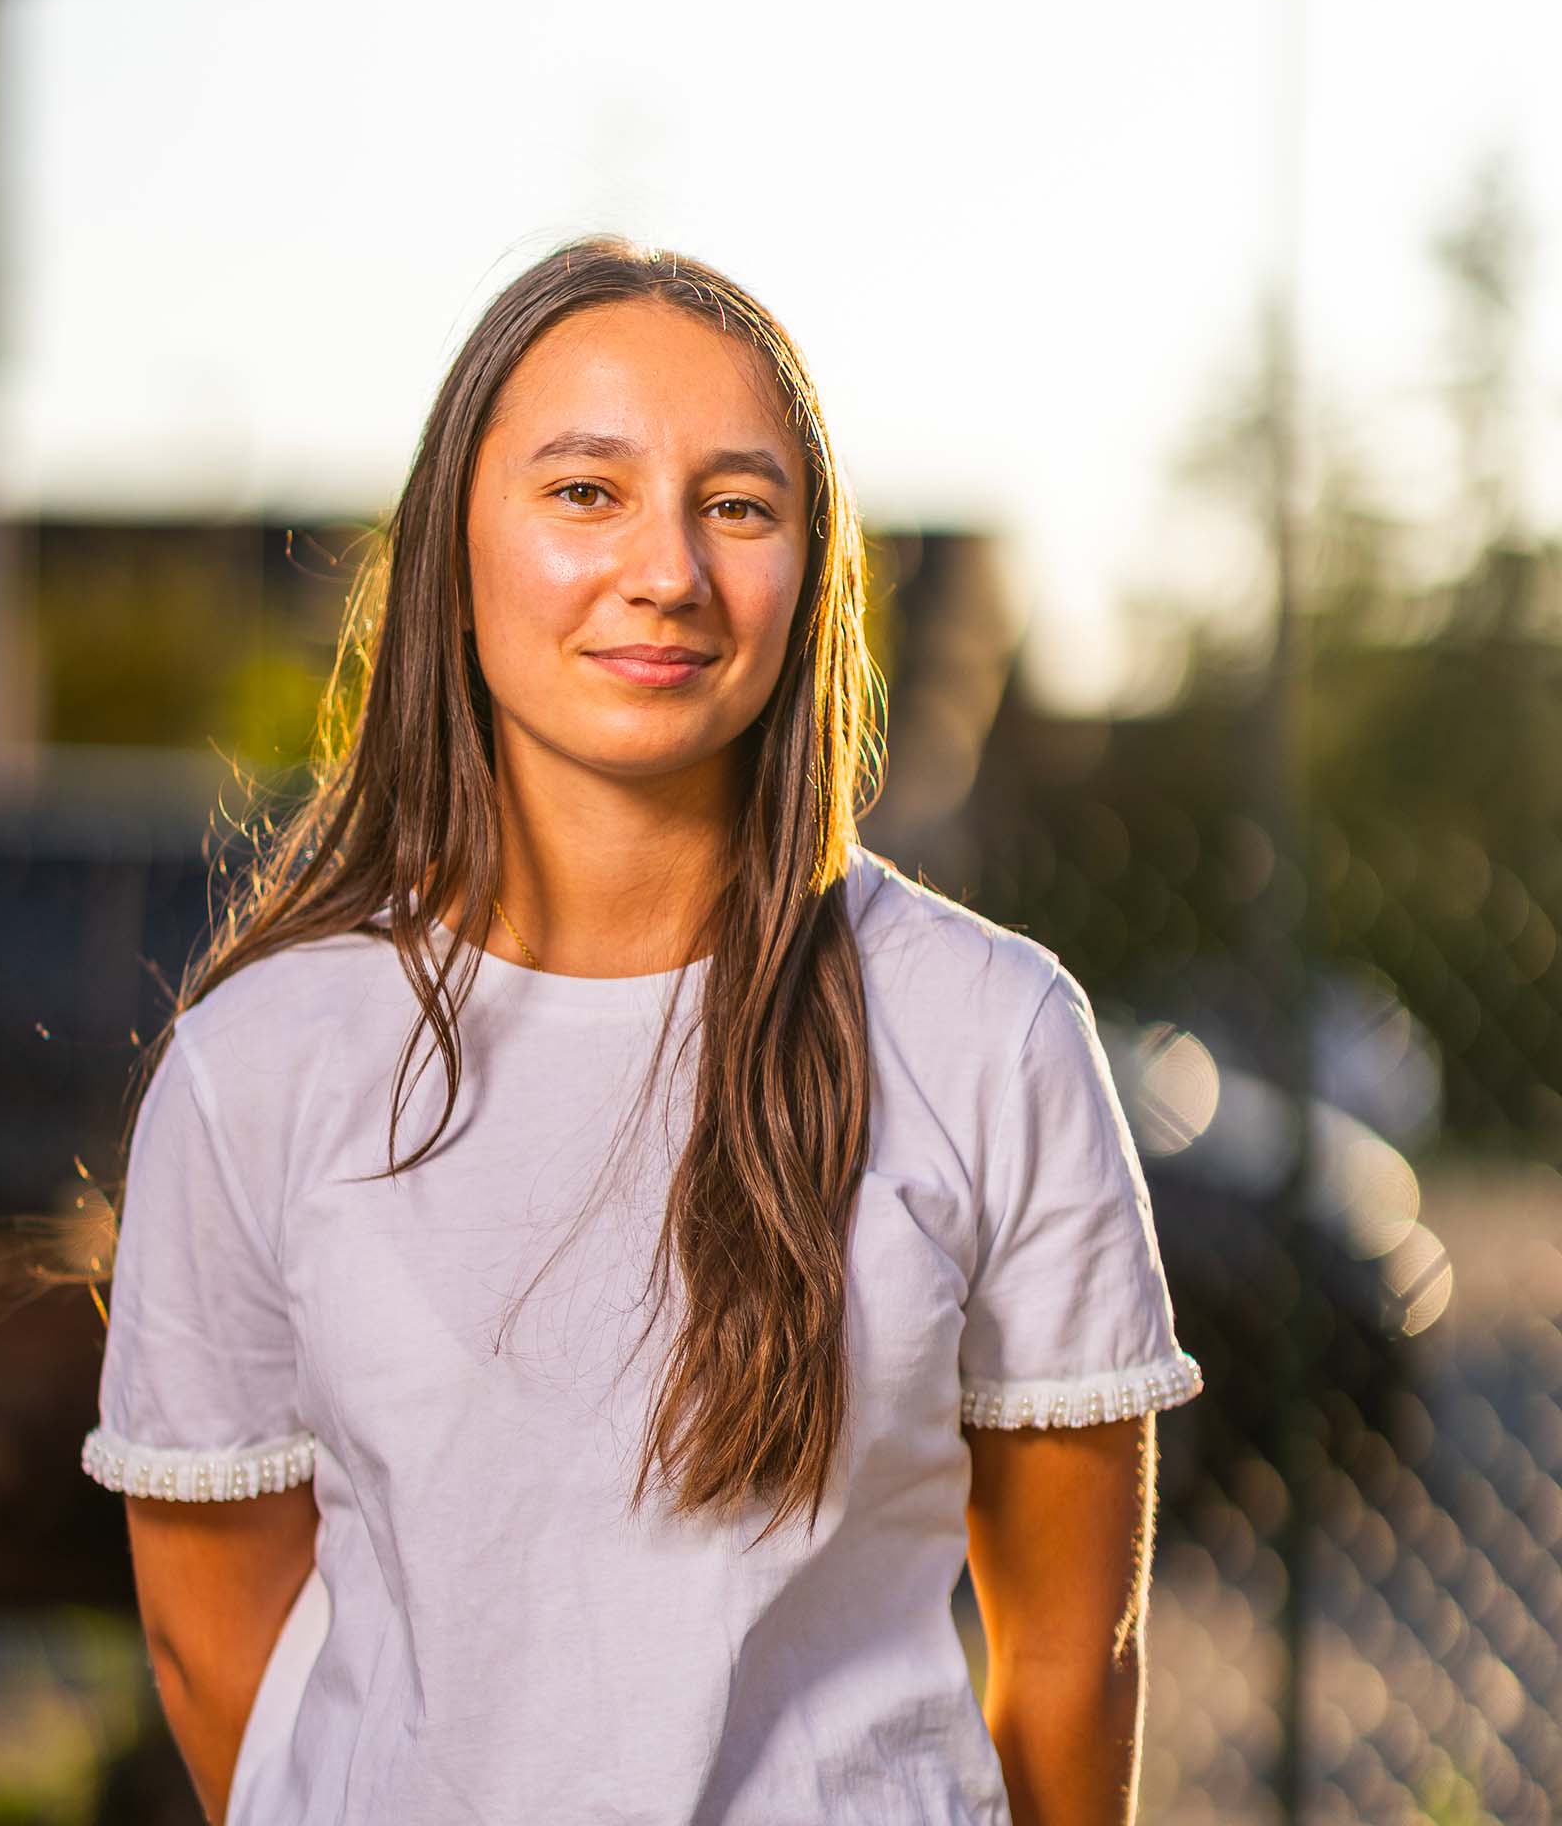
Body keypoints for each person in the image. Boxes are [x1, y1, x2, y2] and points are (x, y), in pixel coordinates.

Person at [80, 234, 1205, 1825]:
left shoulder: (990, 1033)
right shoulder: (258, 1066)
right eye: (585, 492)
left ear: (812, 570)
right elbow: (221, 1658)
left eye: (737, 506)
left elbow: (1074, 1657)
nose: (667, 570)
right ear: (454, 549)